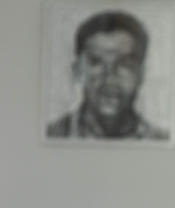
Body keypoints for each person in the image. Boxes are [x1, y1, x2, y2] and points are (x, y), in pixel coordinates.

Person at [47, 10, 168, 140]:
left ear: (141, 74)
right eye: (96, 63)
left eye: (124, 65)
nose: (109, 77)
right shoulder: (53, 136)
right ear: (77, 71)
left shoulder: (161, 140)